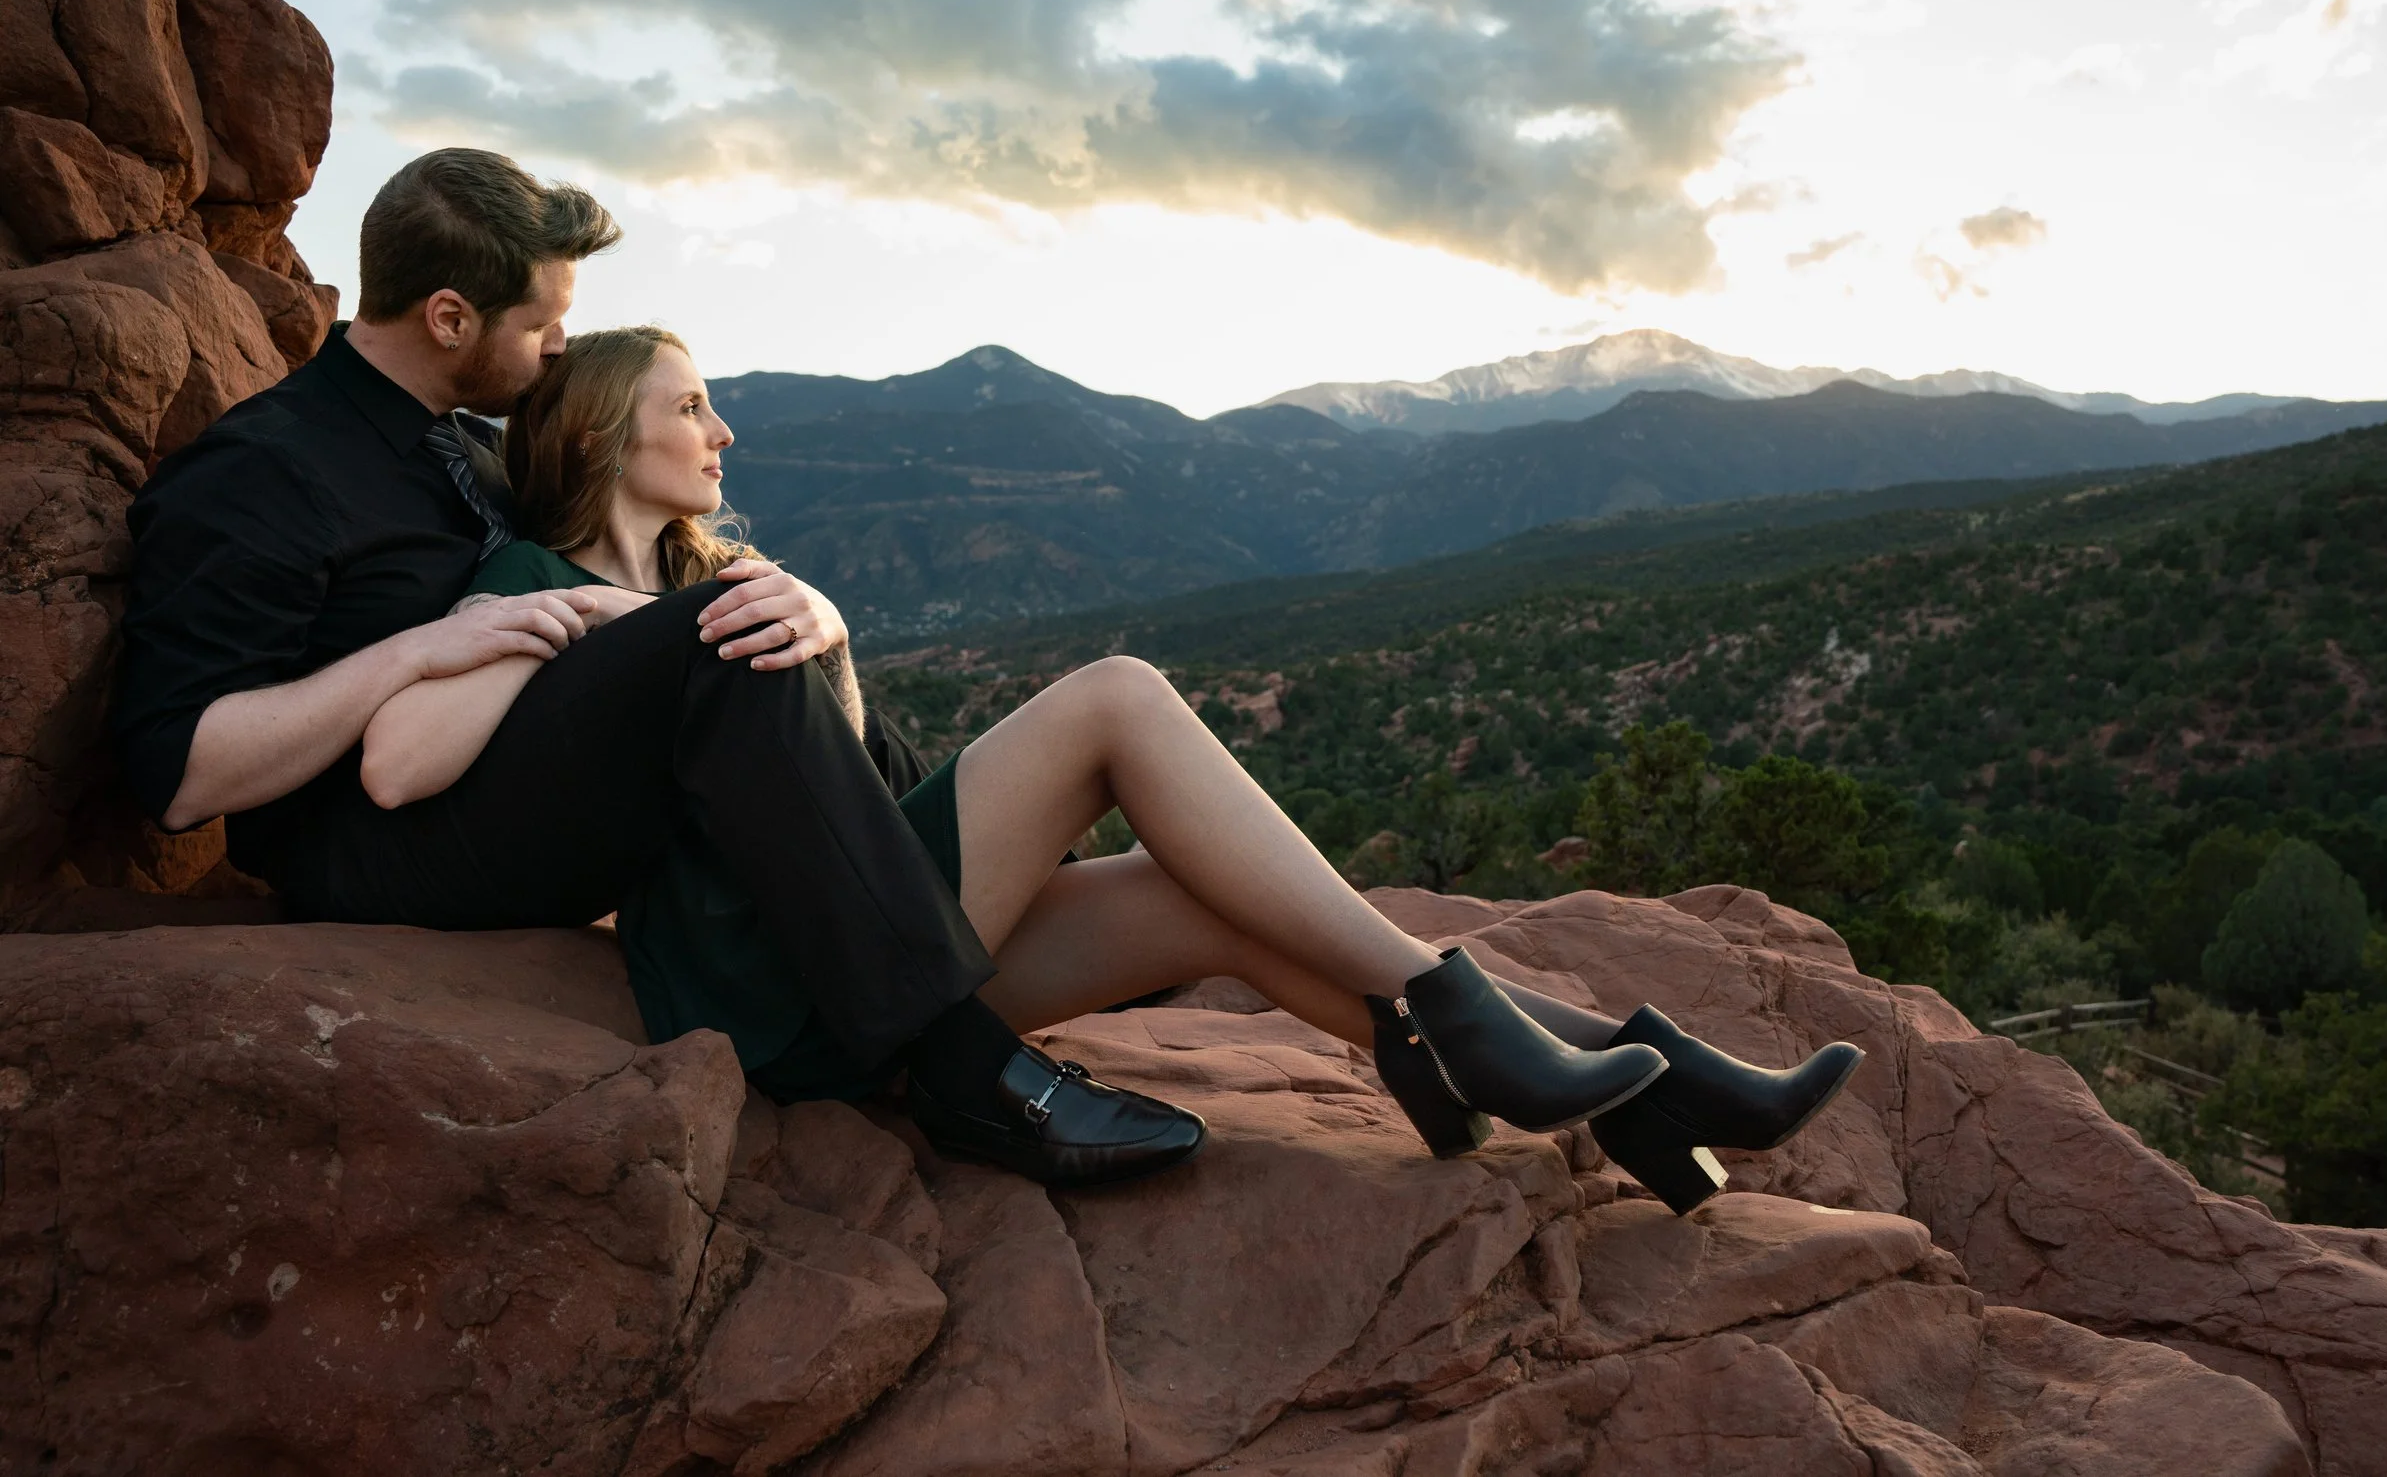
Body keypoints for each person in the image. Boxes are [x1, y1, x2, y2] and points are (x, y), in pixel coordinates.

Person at [352, 319, 1868, 1205]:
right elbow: (407, 766)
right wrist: (553, 631)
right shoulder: (532, 583)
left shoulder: (727, 568)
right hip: (763, 979)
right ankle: (1458, 1017)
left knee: (1198, 898)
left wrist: (831, 625)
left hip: (871, 937)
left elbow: (864, 781)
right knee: (1121, 695)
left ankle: (1639, 1093)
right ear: (610, 427)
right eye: (692, 403)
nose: (724, 426)